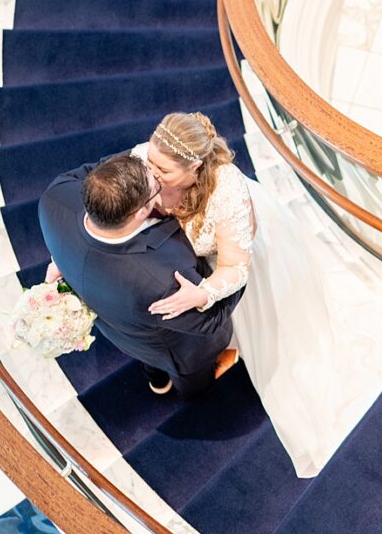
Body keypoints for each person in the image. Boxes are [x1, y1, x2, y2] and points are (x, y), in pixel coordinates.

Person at [134, 112, 382, 477]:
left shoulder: (227, 191)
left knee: (276, 330)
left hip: (243, 257)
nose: (152, 173)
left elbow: (236, 268)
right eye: (151, 162)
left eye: (163, 170)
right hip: (201, 258)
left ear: (193, 167)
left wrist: (202, 294)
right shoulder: (147, 158)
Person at [38, 153, 242, 399]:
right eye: (156, 185)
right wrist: (237, 268)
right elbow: (213, 318)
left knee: (146, 350)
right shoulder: (161, 281)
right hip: (171, 347)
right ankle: (192, 392)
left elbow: (101, 169)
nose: (160, 180)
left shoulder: (54, 199)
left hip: (120, 329)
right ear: (141, 212)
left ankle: (157, 381)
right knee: (191, 375)